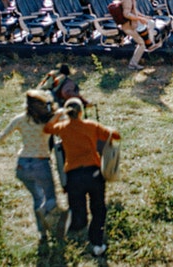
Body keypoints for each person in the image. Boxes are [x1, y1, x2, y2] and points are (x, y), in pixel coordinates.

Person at [43, 98, 121, 257]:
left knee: (77, 207)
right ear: (81, 112)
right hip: (94, 173)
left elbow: (47, 129)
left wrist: (57, 115)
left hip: (73, 175)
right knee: (98, 208)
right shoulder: (91, 125)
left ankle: (77, 229)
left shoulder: (63, 127)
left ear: (67, 113)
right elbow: (116, 136)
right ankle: (97, 242)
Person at [0, 90, 59, 239]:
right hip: (41, 162)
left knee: (37, 197)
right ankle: (46, 215)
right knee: (50, 198)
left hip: (22, 164)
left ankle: (42, 233)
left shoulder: (20, 119)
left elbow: (1, 138)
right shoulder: (48, 120)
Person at [120, 0, 161, 70]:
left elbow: (134, 10)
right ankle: (133, 64)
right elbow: (126, 14)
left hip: (133, 24)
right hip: (129, 26)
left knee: (150, 23)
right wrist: (139, 18)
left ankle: (150, 44)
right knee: (141, 44)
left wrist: (144, 17)